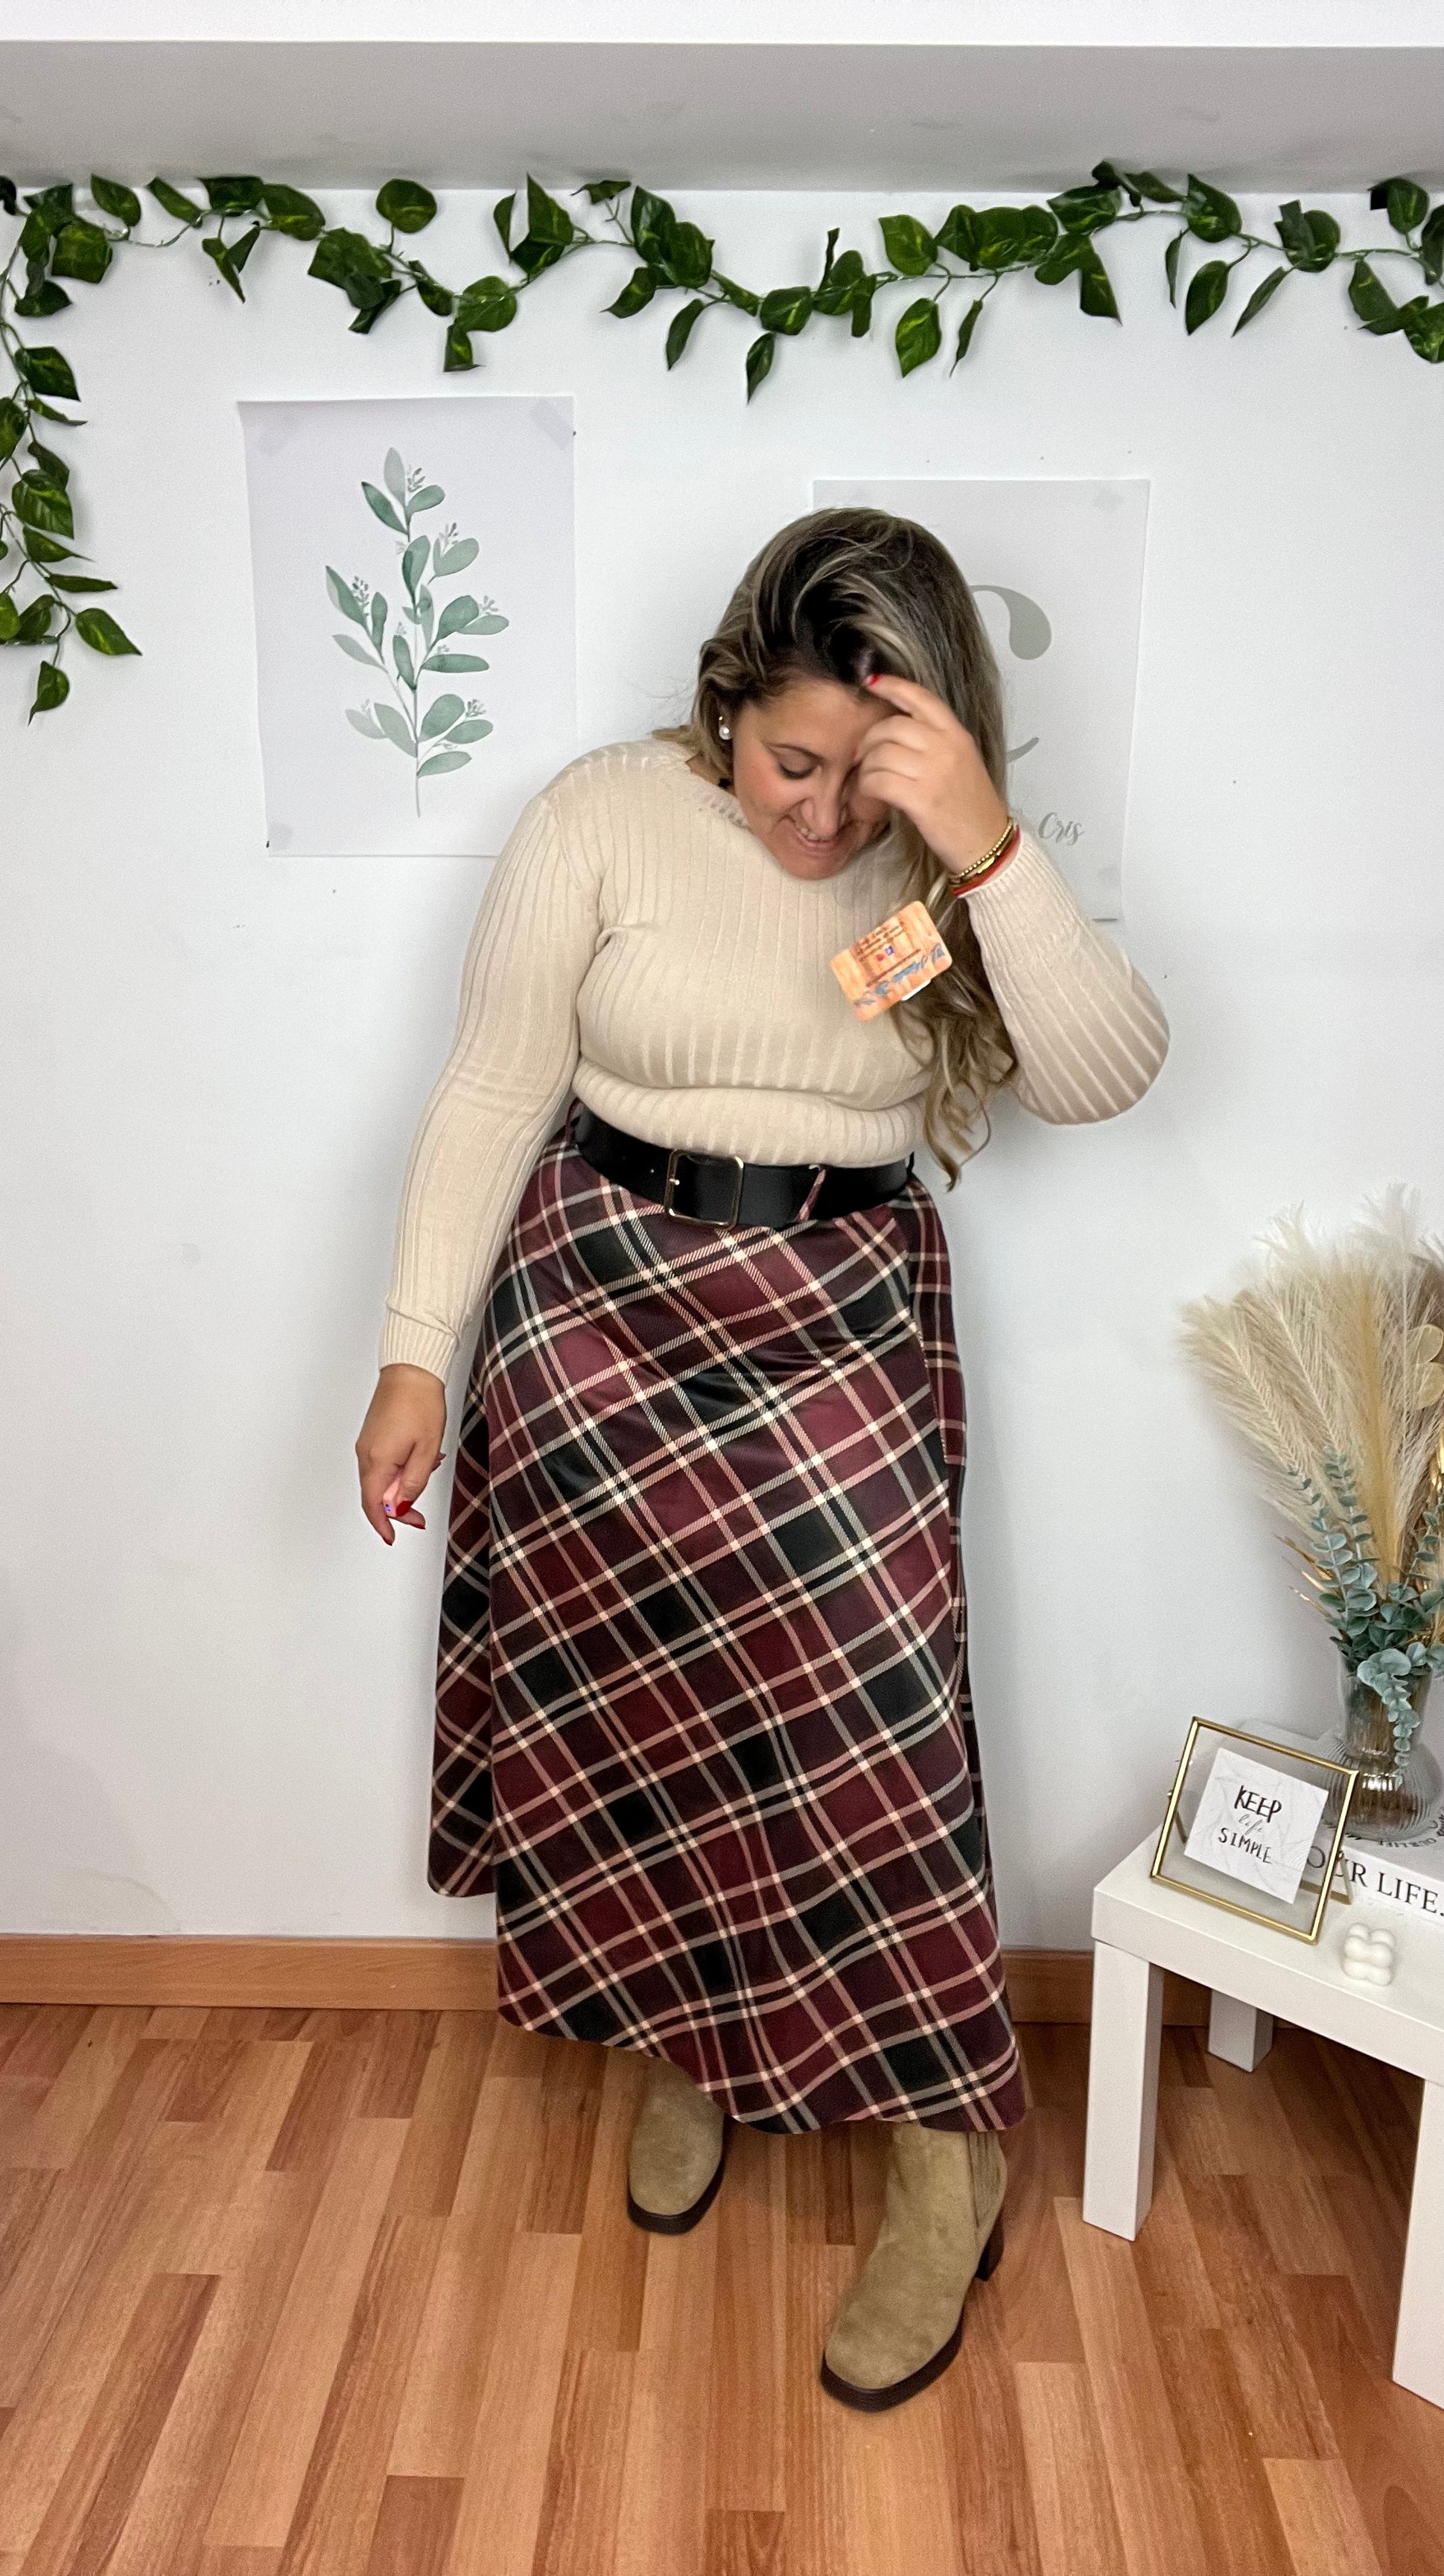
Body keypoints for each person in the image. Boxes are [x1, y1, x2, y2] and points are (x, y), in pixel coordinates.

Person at [355, 507, 1168, 2411]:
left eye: (863, 775)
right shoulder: (599, 817)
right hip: (596, 1307)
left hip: (837, 1311)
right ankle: (688, 2038)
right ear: (727, 700)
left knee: (876, 1743)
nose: (820, 817)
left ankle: (948, 2151)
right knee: (648, 1713)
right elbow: (491, 1085)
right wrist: (410, 1355)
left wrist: (981, 841)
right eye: (791, 761)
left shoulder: (947, 857)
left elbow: (1105, 1073)